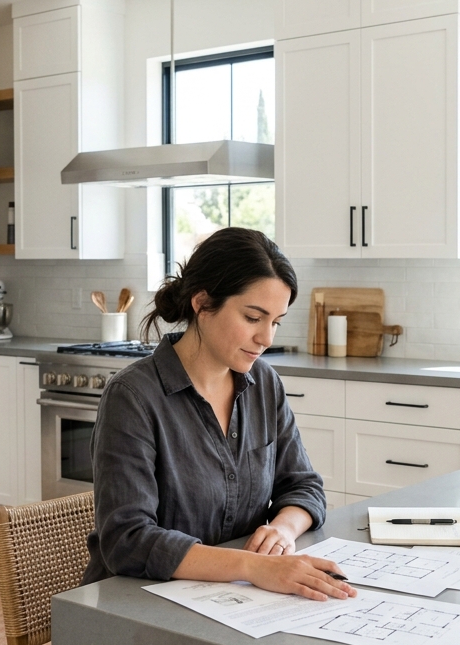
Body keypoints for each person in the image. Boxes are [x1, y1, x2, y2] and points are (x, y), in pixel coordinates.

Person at [83, 227, 354, 602]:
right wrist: (252, 567)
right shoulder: (133, 397)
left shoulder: (264, 384)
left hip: (232, 600)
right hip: (138, 606)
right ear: (202, 303)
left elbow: (303, 486)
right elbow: (128, 541)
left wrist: (283, 530)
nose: (266, 338)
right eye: (253, 317)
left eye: (275, 321)